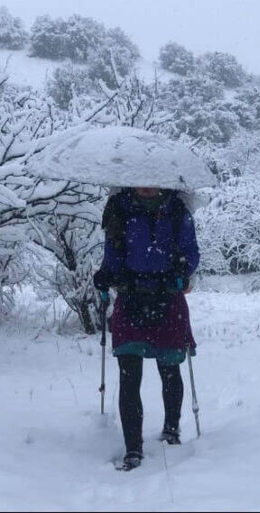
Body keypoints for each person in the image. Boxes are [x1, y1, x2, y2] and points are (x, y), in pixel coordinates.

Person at [93, 186, 199, 471]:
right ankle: (132, 448)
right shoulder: (118, 207)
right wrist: (106, 274)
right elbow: (112, 251)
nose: (146, 185)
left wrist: (181, 269)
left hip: (167, 298)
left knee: (170, 366)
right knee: (129, 372)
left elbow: (191, 252)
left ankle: (171, 428)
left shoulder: (177, 210)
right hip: (131, 298)